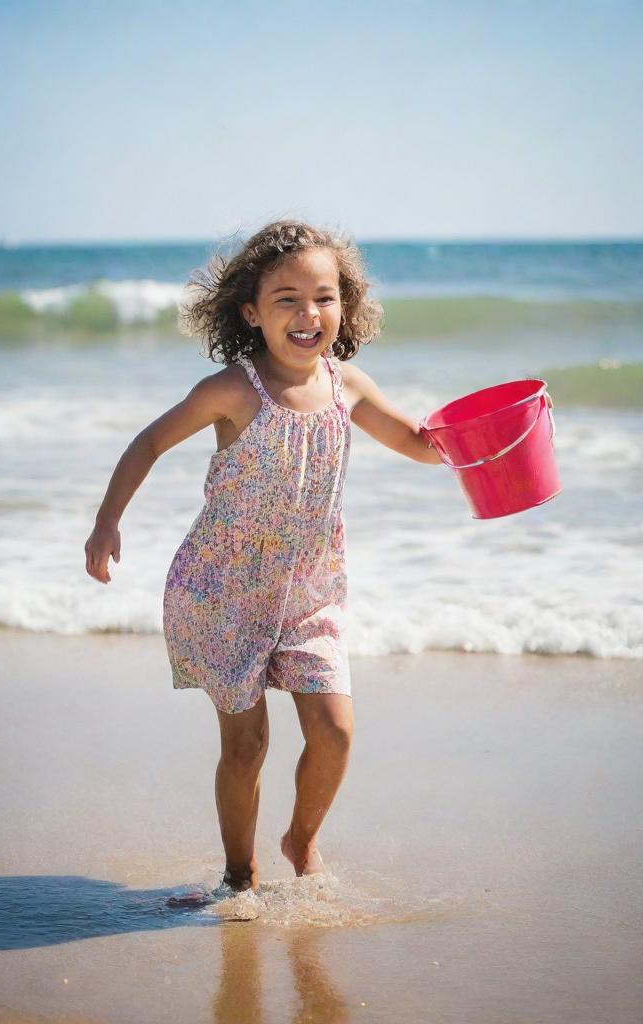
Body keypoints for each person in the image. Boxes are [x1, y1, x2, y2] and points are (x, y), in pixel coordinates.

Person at [84, 219, 442, 894]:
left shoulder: (348, 386)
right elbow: (148, 443)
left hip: (310, 593)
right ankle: (238, 875)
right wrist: (107, 523)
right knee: (245, 747)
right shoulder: (234, 390)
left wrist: (481, 442)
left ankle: (300, 840)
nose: (309, 314)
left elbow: (421, 442)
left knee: (335, 730)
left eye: (325, 296)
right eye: (287, 299)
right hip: (223, 593)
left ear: (346, 304)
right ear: (251, 311)